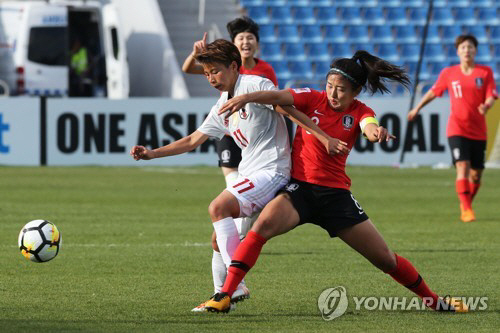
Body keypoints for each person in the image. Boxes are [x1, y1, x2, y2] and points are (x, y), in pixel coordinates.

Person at [203, 50, 468, 313]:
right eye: (329, 86)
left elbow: (369, 127)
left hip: (335, 198)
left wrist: (377, 133)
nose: (332, 93)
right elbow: (277, 96)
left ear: (356, 91)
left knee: (385, 259)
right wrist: (245, 97)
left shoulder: (362, 111)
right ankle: (226, 294)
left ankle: (433, 301)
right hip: (299, 191)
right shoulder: (312, 98)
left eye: (340, 89)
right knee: (260, 230)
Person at [131, 39, 345, 312]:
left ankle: (235, 285)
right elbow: (193, 140)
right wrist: (151, 154)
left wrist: (323, 137)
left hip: (273, 171)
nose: (211, 78)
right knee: (217, 239)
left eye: (215, 72)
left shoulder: (255, 85)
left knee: (218, 207)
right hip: (252, 173)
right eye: (207, 74)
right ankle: (221, 297)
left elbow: (288, 110)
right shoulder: (223, 104)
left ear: (234, 66)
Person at [181, 17, 283, 310]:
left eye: (250, 38)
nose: (246, 42)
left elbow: (278, 104)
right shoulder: (222, 81)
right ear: (235, 45)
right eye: (241, 38)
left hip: (261, 144)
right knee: (224, 219)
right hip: (234, 134)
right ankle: (223, 294)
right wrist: (198, 53)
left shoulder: (260, 75)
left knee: (226, 213)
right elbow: (191, 68)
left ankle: (232, 286)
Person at [408, 35, 497, 223]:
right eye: (464, 47)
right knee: (462, 166)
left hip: (479, 130)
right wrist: (417, 107)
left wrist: (486, 106)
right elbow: (434, 91)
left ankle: (466, 203)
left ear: (475, 50)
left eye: (470, 47)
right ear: (458, 51)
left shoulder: (485, 72)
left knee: (476, 174)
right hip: (457, 128)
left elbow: (491, 94)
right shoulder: (449, 73)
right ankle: (466, 209)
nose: (467, 50)